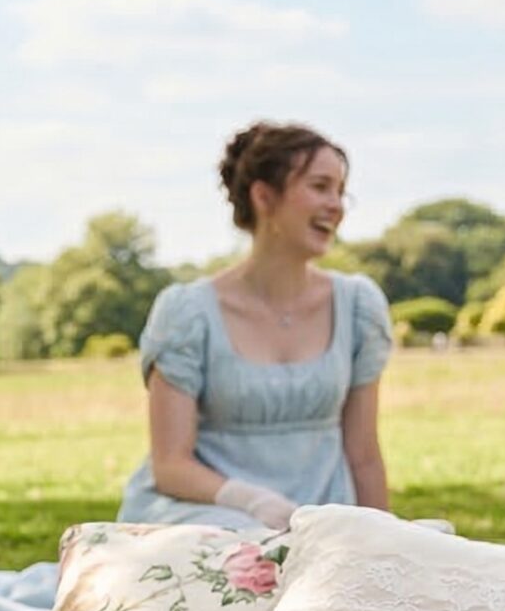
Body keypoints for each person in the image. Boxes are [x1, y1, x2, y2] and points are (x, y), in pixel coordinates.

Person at [117, 121, 392, 532]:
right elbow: (170, 465)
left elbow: (364, 454)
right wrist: (251, 502)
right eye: (320, 187)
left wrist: (387, 548)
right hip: (210, 517)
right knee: (247, 551)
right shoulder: (187, 314)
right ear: (264, 196)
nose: (336, 205)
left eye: (340, 190)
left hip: (321, 520)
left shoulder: (357, 307)